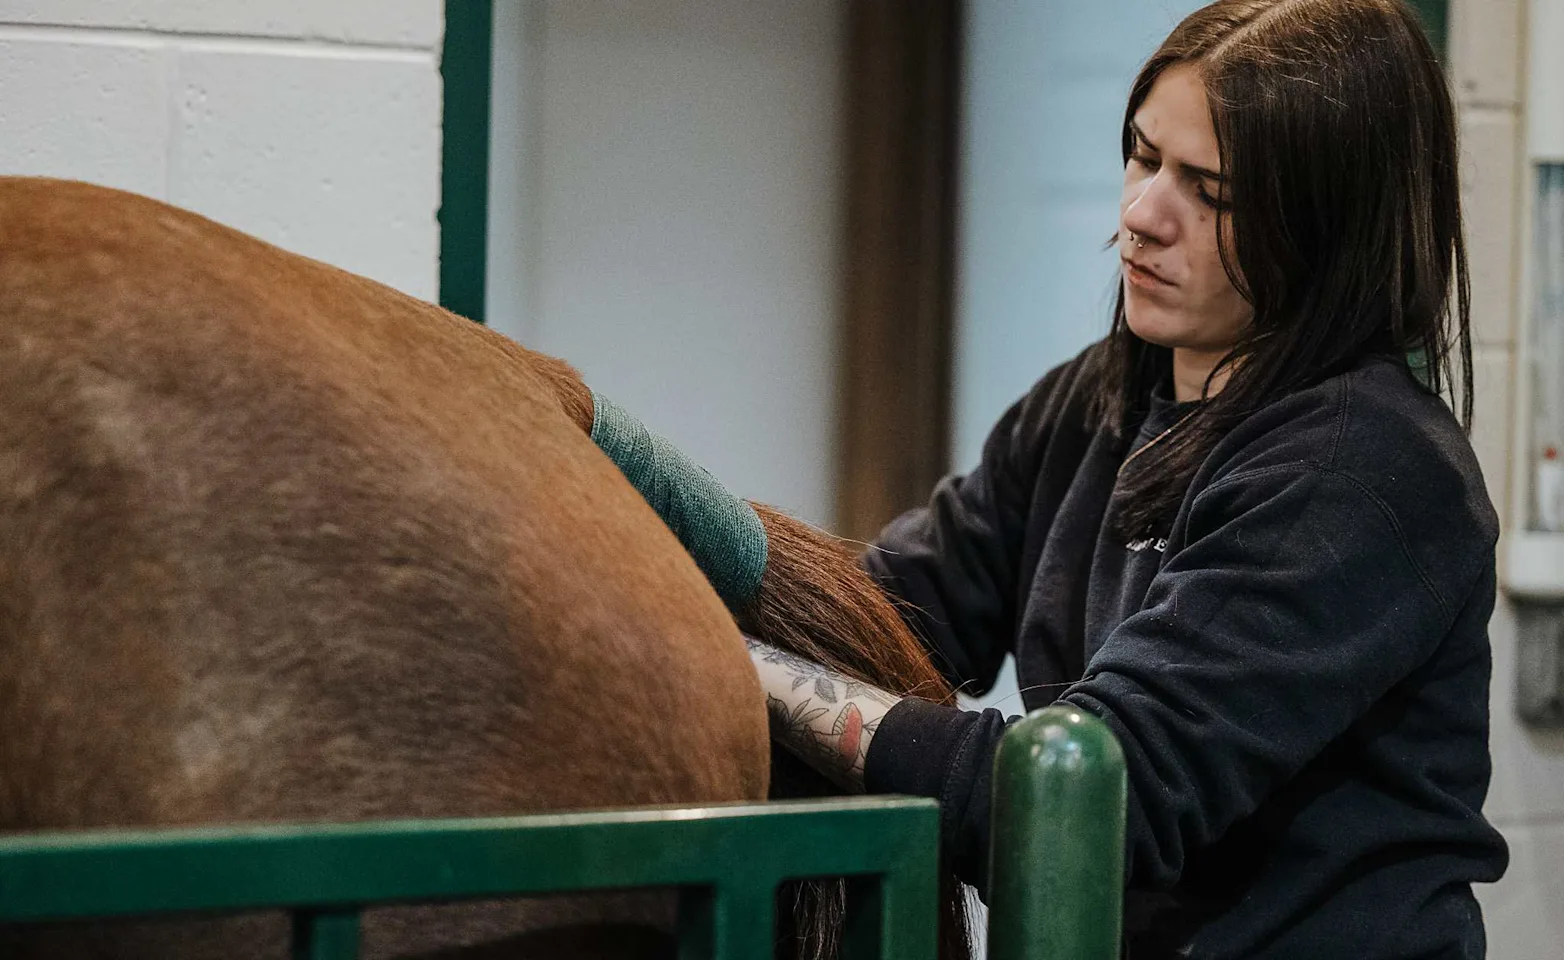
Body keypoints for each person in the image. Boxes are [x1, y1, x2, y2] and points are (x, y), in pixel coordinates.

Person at [745, 0, 1510, 956]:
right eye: (1144, 157)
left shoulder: (1364, 474)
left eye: (1211, 192)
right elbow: (890, 614)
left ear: (1328, 226)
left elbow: (1083, 797)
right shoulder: (1094, 402)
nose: (1141, 217)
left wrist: (739, 670)